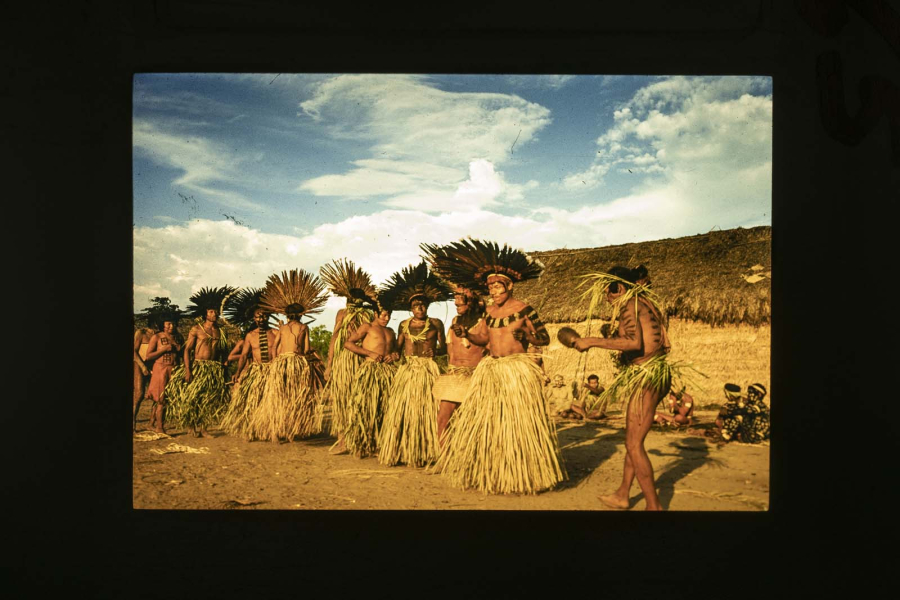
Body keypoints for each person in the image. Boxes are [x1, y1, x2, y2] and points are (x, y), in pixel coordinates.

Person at [423, 238, 567, 494]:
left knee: (518, 425)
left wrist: (528, 338)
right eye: (491, 287)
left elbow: (544, 338)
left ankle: (526, 475)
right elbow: (485, 339)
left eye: (498, 286)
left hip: (516, 371)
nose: (494, 291)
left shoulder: (524, 310)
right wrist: (465, 333)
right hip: (492, 370)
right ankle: (493, 473)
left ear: (509, 286)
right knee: (491, 424)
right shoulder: (488, 312)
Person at [571, 265, 685, 510]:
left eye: (609, 292)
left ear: (619, 287)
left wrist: (591, 341)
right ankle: (623, 494)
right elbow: (660, 344)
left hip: (647, 376)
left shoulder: (629, 305)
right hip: (655, 373)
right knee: (633, 440)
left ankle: (653, 507)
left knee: (634, 445)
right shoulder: (646, 303)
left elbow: (634, 342)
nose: (606, 297)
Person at [377, 262, 450, 467]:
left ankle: (429, 451)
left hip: (428, 369)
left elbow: (444, 348)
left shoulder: (436, 323)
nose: (421, 308)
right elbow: (398, 349)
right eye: (417, 305)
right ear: (411, 307)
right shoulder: (403, 325)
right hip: (408, 371)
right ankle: (404, 450)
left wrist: (435, 351)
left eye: (424, 305)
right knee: (404, 410)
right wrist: (392, 355)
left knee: (428, 411)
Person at [252, 269, 329, 443]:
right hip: (297, 363)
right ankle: (291, 431)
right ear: (301, 315)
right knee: (295, 397)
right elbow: (306, 348)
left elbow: (275, 348)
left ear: (287, 315)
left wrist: (275, 362)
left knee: (278, 397)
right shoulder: (303, 328)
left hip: (281, 363)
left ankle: (276, 432)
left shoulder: (282, 328)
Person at [319, 259, 376, 453]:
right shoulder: (342, 314)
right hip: (344, 361)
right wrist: (329, 365)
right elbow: (335, 338)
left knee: (362, 399)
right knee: (342, 399)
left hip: (363, 361)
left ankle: (362, 439)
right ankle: (343, 441)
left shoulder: (368, 317)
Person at [164, 286, 235, 437]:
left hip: (213, 368)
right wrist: (188, 370)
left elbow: (223, 351)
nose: (214, 314)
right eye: (211, 311)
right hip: (198, 366)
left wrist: (224, 365)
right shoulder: (196, 329)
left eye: (216, 311)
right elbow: (186, 350)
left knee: (208, 399)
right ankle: (192, 427)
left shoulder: (220, 331)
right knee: (194, 397)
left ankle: (204, 429)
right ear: (205, 314)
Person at [341, 294, 398, 458]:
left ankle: (378, 444)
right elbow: (348, 343)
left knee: (383, 409)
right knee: (365, 408)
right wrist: (369, 353)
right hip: (370, 371)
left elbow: (396, 352)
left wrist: (394, 356)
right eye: (383, 315)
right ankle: (360, 445)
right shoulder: (367, 327)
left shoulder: (390, 331)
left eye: (389, 315)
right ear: (375, 313)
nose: (386, 318)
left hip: (387, 373)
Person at [434, 286, 487, 446]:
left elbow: (486, 343)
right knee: (443, 415)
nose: (456, 305)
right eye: (455, 303)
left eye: (460, 303)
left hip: (474, 375)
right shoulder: (455, 321)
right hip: (454, 374)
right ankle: (443, 456)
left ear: (471, 302)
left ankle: (471, 454)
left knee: (473, 418)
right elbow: (449, 349)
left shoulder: (483, 322)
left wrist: (468, 335)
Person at [220, 306, 276, 440]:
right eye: (258, 317)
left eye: (263, 316)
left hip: (272, 370)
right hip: (256, 371)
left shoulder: (275, 333)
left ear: (268, 317)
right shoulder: (250, 336)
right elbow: (244, 355)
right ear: (254, 318)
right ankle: (252, 430)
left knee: (270, 401)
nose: (260, 319)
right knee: (254, 401)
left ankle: (271, 431)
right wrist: (238, 372)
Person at [143, 315, 182, 434]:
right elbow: (148, 356)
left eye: (173, 323)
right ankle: (160, 427)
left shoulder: (178, 337)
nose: (172, 326)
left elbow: (181, 354)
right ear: (163, 325)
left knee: (166, 398)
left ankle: (151, 423)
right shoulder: (157, 337)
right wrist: (164, 349)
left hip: (174, 369)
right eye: (168, 324)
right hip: (161, 369)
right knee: (161, 399)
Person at [132, 321, 158, 432]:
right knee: (139, 394)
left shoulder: (159, 334)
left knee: (158, 395)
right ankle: (133, 422)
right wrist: (142, 367)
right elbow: (134, 352)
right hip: (139, 364)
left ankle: (151, 423)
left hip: (154, 365)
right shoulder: (141, 333)